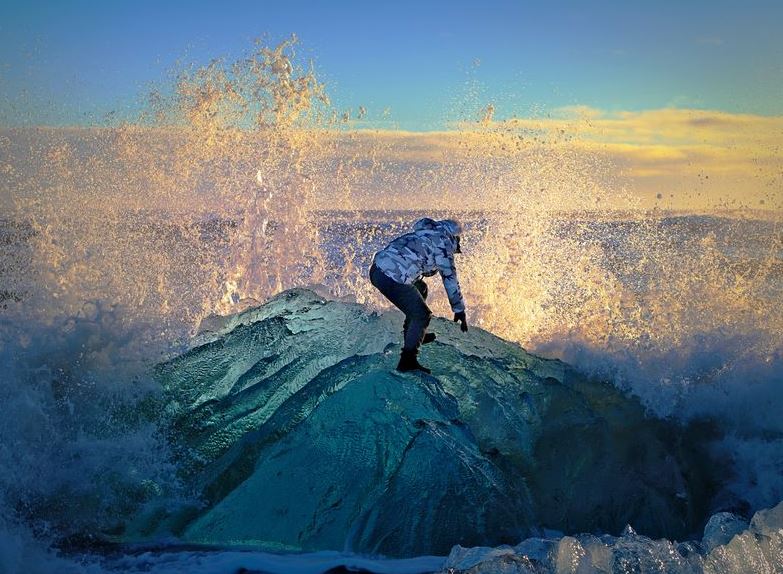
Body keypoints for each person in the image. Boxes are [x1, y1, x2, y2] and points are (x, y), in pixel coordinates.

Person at [369, 217, 468, 373]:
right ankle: (408, 361)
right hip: (391, 278)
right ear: (454, 236)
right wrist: (459, 309)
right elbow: (450, 278)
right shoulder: (444, 243)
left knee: (421, 288)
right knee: (422, 315)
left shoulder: (424, 233)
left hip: (376, 270)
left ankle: (413, 333)